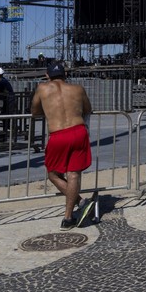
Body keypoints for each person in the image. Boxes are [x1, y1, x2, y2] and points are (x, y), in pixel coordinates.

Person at [30, 62, 94, 231]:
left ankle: (81, 202)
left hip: (58, 135)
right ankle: (68, 218)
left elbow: (34, 112)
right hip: (78, 131)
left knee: (53, 174)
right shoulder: (78, 88)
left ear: (47, 75)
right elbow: (88, 109)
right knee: (73, 174)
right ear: (65, 75)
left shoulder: (42, 88)